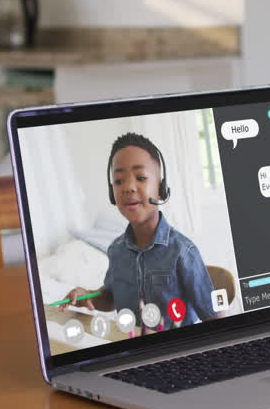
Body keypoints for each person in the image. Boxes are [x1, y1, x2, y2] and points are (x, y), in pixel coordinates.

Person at [60, 132, 217, 332]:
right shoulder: (116, 250)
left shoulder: (183, 251)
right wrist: (86, 295)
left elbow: (214, 318)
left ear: (161, 188)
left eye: (141, 177)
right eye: (119, 181)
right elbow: (110, 298)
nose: (128, 187)